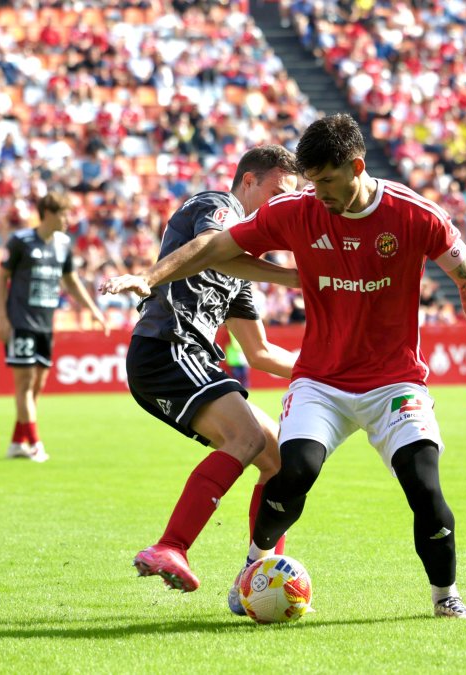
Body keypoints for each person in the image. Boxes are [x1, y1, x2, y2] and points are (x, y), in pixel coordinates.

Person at [105, 114, 466, 620]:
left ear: (357, 166)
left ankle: (446, 598)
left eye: (327, 182)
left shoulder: (414, 214)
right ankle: (252, 570)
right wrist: (150, 275)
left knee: (424, 486)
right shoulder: (297, 210)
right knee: (293, 472)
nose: (319, 195)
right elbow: (216, 247)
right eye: (310, 183)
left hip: (395, 381)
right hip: (321, 382)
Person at [124, 146, 301, 601]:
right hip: (167, 348)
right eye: (276, 192)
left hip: (190, 358)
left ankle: (256, 577)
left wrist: (327, 372)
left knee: (279, 457)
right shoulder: (214, 205)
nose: (281, 205)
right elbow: (213, 254)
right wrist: (296, 278)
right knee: (246, 437)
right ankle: (171, 546)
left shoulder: (240, 269)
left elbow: (259, 352)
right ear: (246, 182)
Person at [0, 191, 109, 463]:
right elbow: (1, 279)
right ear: (48, 214)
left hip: (46, 324)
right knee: (23, 384)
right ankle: (35, 444)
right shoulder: (20, 241)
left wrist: (93, 310)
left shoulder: (62, 244)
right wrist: (2, 318)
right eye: (64, 213)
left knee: (37, 386)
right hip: (20, 322)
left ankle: (16, 442)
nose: (69, 219)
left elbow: (71, 282)